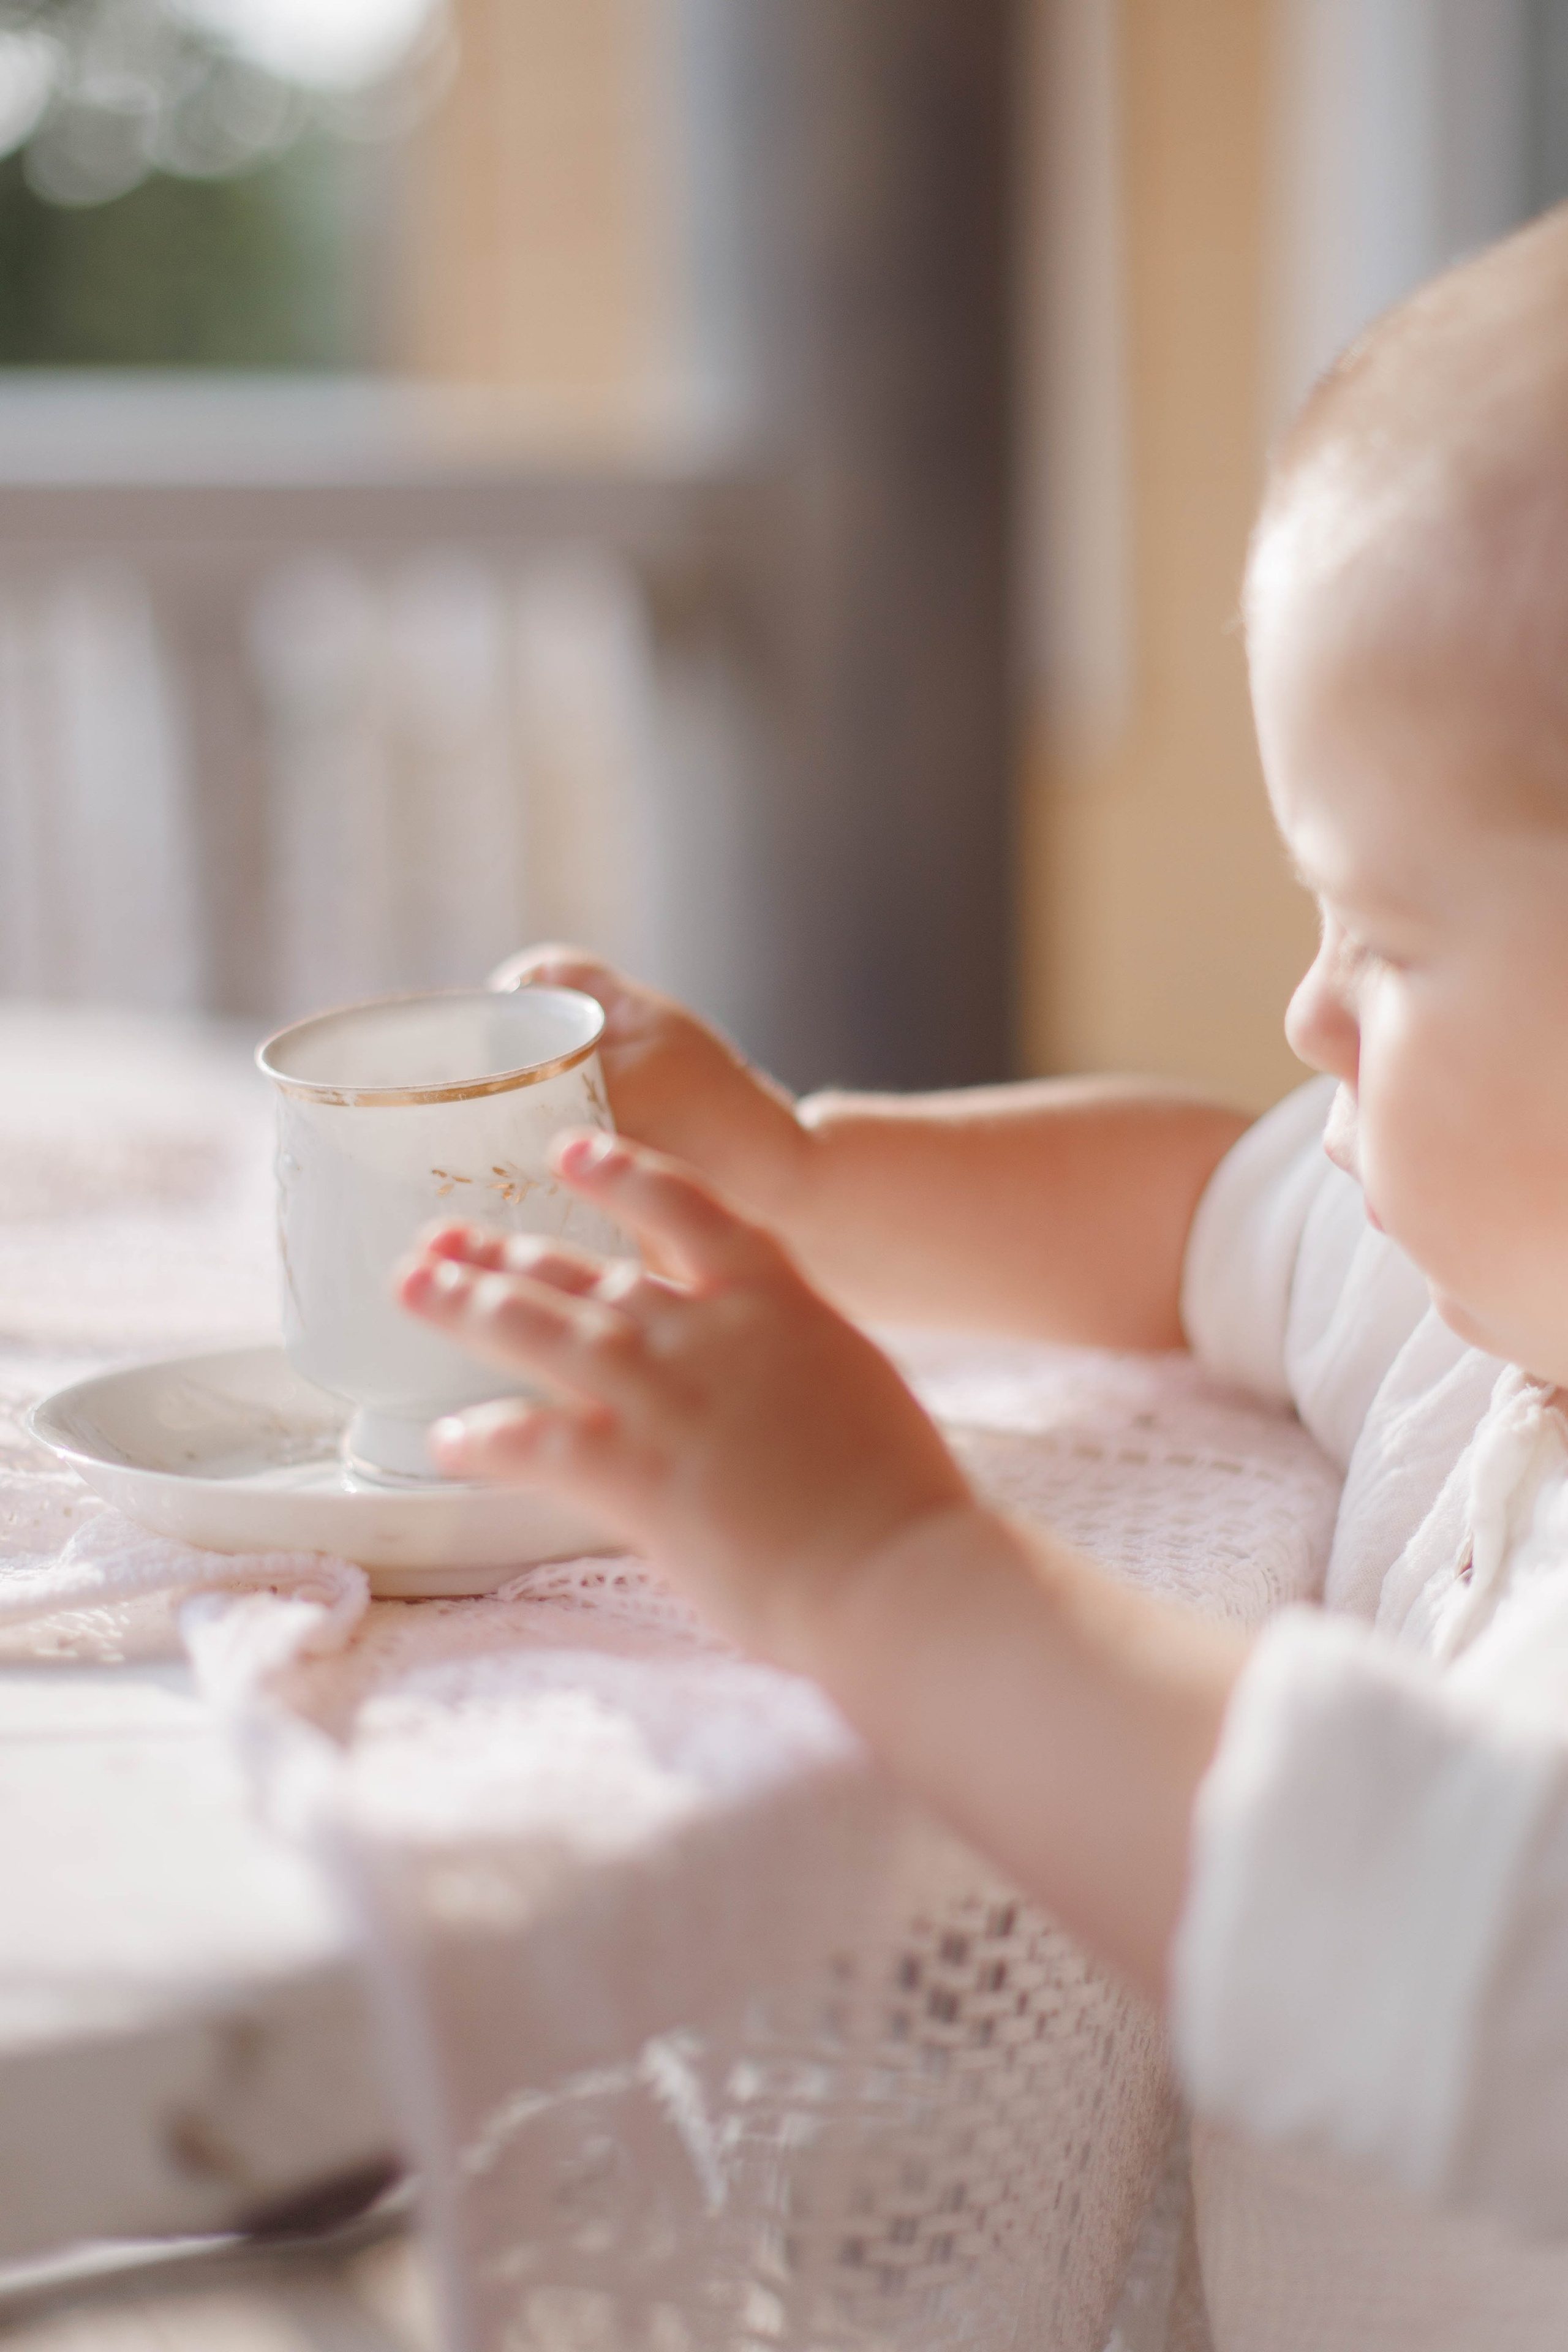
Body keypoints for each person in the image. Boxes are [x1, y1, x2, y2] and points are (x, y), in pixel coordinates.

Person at [398, 208, 1568, 2344]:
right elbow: (1192, 1205)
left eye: (1388, 943)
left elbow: (1441, 1910)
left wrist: (883, 1563)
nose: (1310, 1017)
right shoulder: (1474, 1292)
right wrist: (806, 1165)